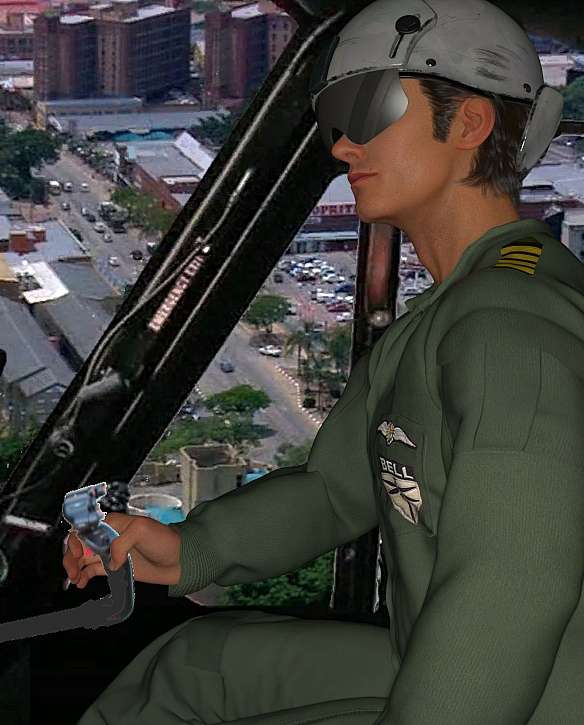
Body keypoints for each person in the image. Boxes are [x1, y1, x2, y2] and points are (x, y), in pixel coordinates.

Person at [64, 0, 583, 723]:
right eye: (338, 120)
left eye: (368, 108)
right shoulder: (446, 315)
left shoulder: (509, 326)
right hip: (438, 659)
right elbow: (336, 490)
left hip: (529, 698)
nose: (342, 147)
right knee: (194, 666)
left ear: (469, 124)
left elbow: (514, 577)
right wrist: (191, 549)